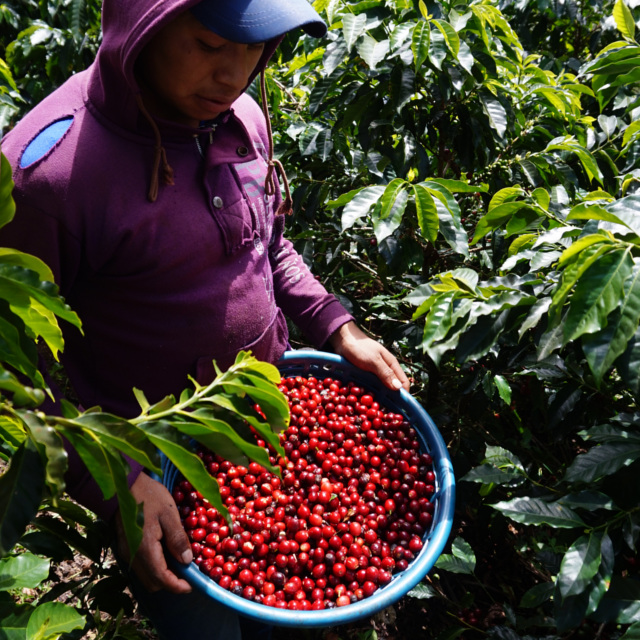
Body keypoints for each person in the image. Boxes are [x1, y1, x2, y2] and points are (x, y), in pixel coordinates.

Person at [1, 0, 410, 637]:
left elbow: (266, 240)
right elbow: (18, 370)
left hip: (261, 425)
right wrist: (121, 484)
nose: (234, 73)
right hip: (158, 470)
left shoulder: (239, 116)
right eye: (210, 44)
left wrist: (335, 324)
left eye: (254, 48)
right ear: (143, 29)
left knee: (285, 608)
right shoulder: (49, 176)